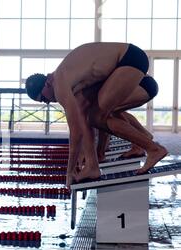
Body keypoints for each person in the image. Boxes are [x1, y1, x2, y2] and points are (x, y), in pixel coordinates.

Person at [25, 42, 168, 187]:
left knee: (98, 116)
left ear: (47, 84)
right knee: (93, 115)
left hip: (129, 59)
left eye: (43, 98)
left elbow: (76, 133)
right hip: (129, 59)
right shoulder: (72, 81)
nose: (47, 102)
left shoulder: (59, 83)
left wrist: (69, 172)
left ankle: (153, 148)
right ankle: (93, 167)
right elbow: (82, 124)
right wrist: (87, 156)